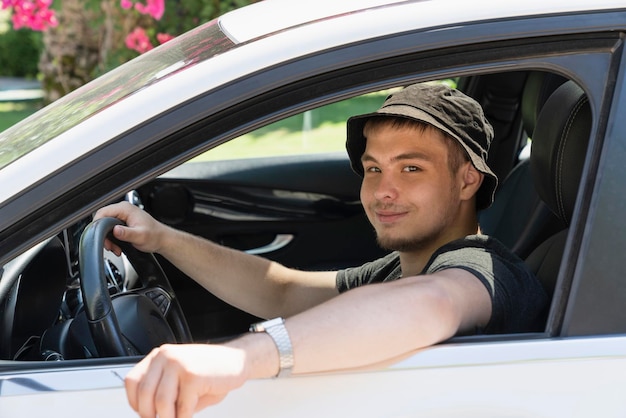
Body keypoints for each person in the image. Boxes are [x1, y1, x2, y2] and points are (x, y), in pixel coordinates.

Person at [95, 83, 548, 418]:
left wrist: (240, 359)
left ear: (468, 179)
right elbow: (283, 292)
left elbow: (433, 303)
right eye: (373, 169)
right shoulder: (401, 267)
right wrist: (161, 238)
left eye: (411, 168)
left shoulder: (483, 267)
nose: (383, 191)